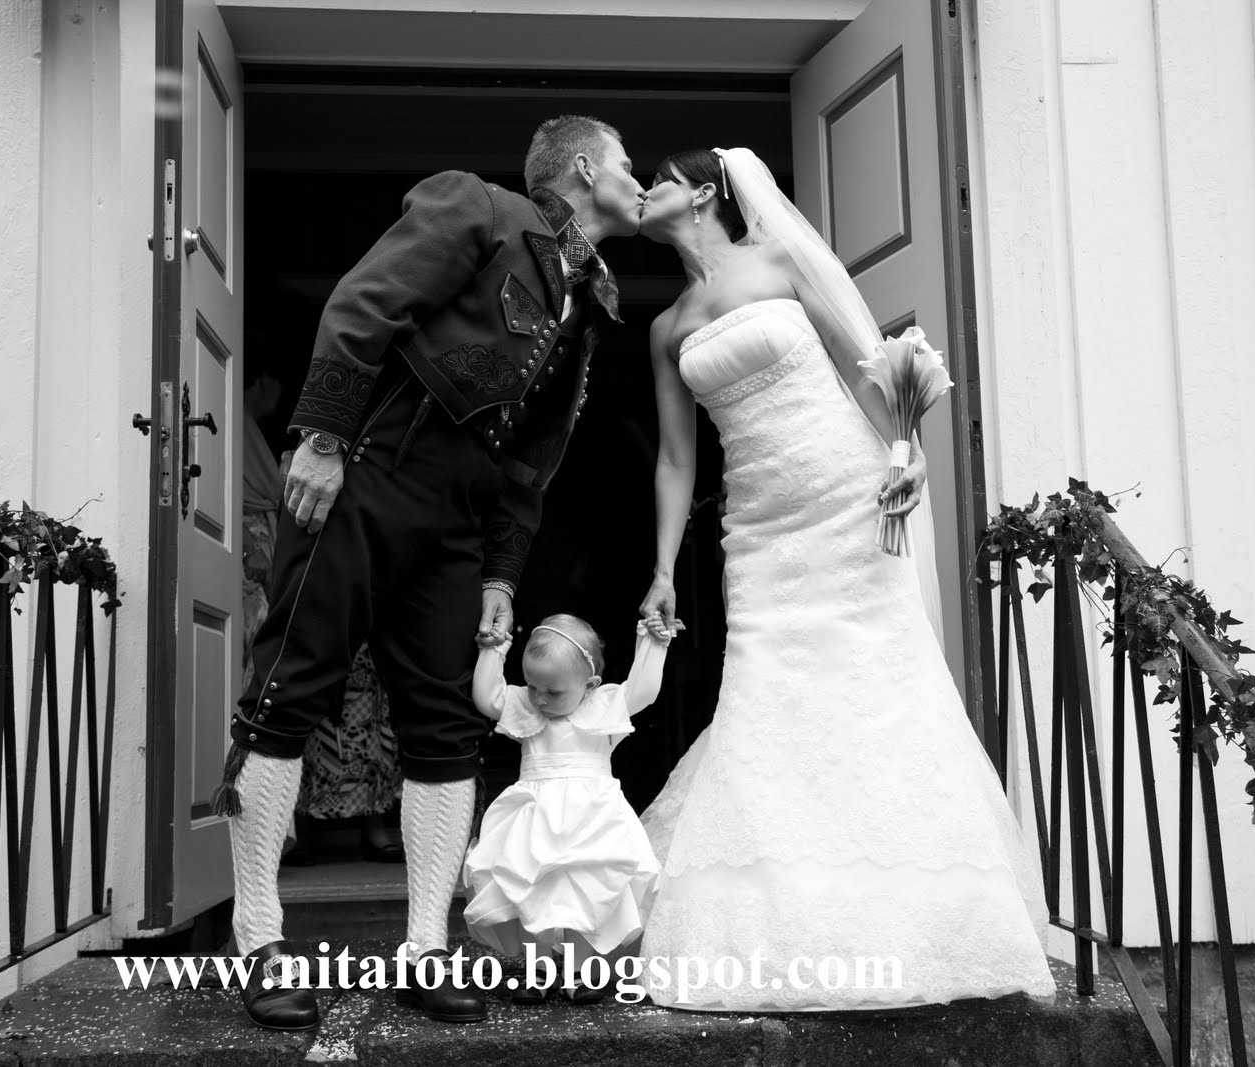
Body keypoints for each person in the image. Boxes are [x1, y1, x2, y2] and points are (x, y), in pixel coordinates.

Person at [210, 116, 645, 1031]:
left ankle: (424, 949)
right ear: (582, 168)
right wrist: (322, 437)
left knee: (446, 726)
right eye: (627, 165)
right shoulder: (477, 205)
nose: (640, 182)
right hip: (365, 474)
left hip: (455, 525)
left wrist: (501, 575)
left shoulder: (588, 300)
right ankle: (259, 939)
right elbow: (362, 302)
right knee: (290, 692)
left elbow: (533, 458)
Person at [634, 148, 1054, 1011]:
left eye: (659, 179)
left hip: (848, 495)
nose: (642, 191)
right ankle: (782, 919)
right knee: (766, 690)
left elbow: (867, 363)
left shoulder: (779, 260)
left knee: (875, 682)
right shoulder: (666, 325)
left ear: (704, 192)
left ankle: (923, 913)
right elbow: (676, 459)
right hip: (759, 526)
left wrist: (905, 450)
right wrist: (661, 568)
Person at [461, 613, 675, 1003]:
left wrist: (653, 642)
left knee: (585, 891)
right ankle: (537, 968)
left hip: (592, 821)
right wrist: (494, 651)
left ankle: (580, 969)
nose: (540, 698)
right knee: (529, 889)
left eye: (553, 691)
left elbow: (644, 691)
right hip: (535, 819)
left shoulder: (604, 705)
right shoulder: (526, 706)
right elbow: (487, 698)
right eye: (533, 686)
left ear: (589, 685)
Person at [240, 368, 404, 866]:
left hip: (365, 592)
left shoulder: (375, 459)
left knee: (369, 711)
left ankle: (376, 822)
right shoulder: (285, 459)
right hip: (311, 589)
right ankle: (305, 829)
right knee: (302, 702)